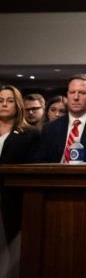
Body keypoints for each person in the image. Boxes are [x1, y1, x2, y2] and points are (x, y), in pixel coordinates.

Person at [0, 84, 40, 268]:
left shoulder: (28, 135)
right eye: (0, 101)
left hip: (11, 201)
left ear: (17, 105)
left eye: (9, 101)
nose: (4, 104)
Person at [35, 74, 86, 163]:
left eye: (82, 93)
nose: (76, 97)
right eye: (72, 92)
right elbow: (40, 162)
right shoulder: (50, 128)